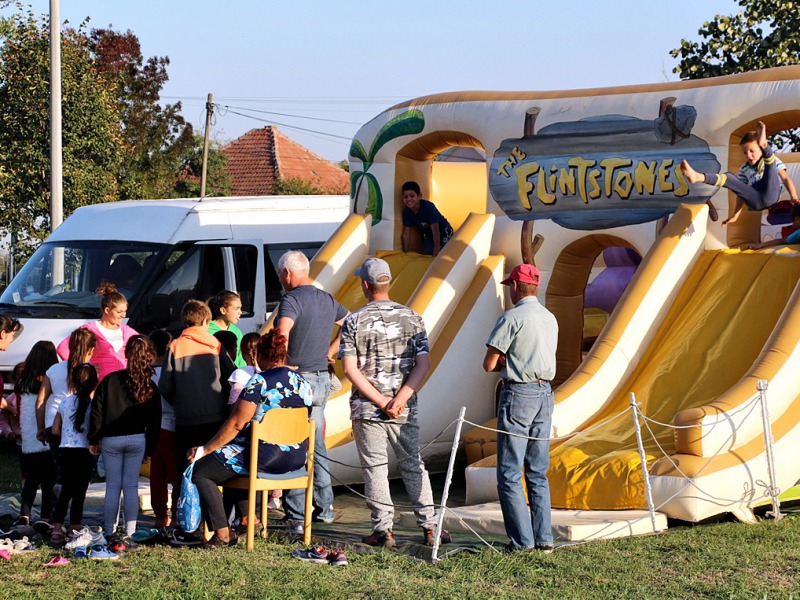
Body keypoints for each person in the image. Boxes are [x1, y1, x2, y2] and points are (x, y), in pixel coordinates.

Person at [339, 257, 449, 548]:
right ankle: (429, 526)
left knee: (375, 468)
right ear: (388, 282)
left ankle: (384, 530)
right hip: (404, 407)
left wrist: (380, 400)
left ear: (365, 285)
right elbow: (423, 364)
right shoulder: (413, 317)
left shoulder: (354, 320)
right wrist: (399, 399)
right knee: (413, 463)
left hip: (367, 407)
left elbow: (350, 369)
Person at [188, 329, 313, 549]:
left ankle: (223, 533)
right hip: (296, 457)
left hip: (265, 456)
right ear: (284, 355)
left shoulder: (260, 382)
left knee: (202, 471)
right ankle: (248, 518)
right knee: (228, 461)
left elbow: (236, 423)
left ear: (262, 357)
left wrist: (205, 449)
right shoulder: (304, 384)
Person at [483, 263, 558, 553]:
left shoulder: (511, 317)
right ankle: (544, 540)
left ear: (515, 287)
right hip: (545, 393)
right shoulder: (550, 318)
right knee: (538, 471)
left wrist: (507, 361)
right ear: (535, 286)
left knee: (510, 473)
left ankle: (522, 542)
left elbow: (488, 363)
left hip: (519, 394)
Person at [275, 250, 348, 528]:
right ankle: (325, 506)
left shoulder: (291, 299)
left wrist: (279, 367)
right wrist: (331, 350)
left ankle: (295, 511)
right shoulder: (325, 298)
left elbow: (282, 334)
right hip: (321, 377)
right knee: (316, 443)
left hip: (298, 378)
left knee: (293, 442)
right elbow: (350, 322)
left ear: (288, 273)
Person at [158, 300, 235, 546]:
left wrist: (181, 401)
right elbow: (231, 378)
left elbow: (165, 386)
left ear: (185, 322)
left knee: (187, 474)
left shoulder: (175, 346)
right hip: (215, 421)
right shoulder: (215, 345)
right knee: (211, 473)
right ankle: (217, 525)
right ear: (205, 322)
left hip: (186, 420)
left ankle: (190, 525)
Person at [89, 335, 161, 550]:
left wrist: (94, 438)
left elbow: (97, 412)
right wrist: (150, 448)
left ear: (127, 353)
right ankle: (129, 533)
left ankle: (109, 531)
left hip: (111, 439)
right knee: (130, 486)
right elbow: (155, 421)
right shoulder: (149, 386)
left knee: (113, 486)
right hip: (138, 438)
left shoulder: (110, 380)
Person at [680, 121, 800, 227]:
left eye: (752, 151)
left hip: (770, 193)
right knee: (730, 177)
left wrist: (794, 196)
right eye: (745, 153)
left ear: (759, 149)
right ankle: (698, 177)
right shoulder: (744, 168)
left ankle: (765, 147)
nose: (748, 155)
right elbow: (741, 192)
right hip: (755, 200)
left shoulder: (773, 161)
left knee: (770, 164)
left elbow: (785, 179)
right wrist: (735, 215)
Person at [36, 328, 97, 498]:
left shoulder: (54, 369)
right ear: (91, 350)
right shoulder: (91, 371)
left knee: (60, 467)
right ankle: (74, 513)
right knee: (81, 472)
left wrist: (41, 427)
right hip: (81, 427)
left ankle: (56, 511)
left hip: (53, 423)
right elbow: (92, 399)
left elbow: (40, 401)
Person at [50, 363, 98, 543]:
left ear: (73, 381)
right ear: (94, 383)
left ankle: (56, 529)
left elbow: (55, 430)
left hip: (66, 450)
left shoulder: (65, 402)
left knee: (65, 492)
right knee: (79, 493)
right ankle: (74, 529)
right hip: (85, 452)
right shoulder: (93, 406)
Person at [57, 283, 139, 382]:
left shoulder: (126, 330)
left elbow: (145, 347)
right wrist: (83, 368)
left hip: (121, 385)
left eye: (125, 311)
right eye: (119, 312)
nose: (123, 315)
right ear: (107, 310)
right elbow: (63, 348)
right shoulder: (90, 329)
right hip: (98, 386)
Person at [14, 342, 58, 525]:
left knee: (31, 480)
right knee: (49, 480)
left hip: (28, 438)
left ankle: (24, 514)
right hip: (45, 434)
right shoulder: (50, 380)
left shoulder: (24, 381)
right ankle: (46, 516)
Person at [148, 329, 178, 530]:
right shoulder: (171, 373)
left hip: (152, 426)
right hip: (172, 425)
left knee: (156, 474)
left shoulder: (147, 374)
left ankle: (160, 515)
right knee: (176, 475)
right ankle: (175, 515)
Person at [400, 180, 454, 257]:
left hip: (443, 232)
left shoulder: (428, 207)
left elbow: (436, 231)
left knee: (444, 254)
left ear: (419, 196)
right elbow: (406, 234)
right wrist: (405, 253)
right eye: (405, 197)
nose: (408, 199)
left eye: (412, 196)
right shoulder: (406, 212)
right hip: (429, 236)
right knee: (428, 254)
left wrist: (436, 252)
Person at [208, 290, 246, 368]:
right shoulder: (207, 330)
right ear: (223, 310)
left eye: (240, 308)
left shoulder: (237, 332)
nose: (240, 312)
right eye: (236, 309)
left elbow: (241, 360)